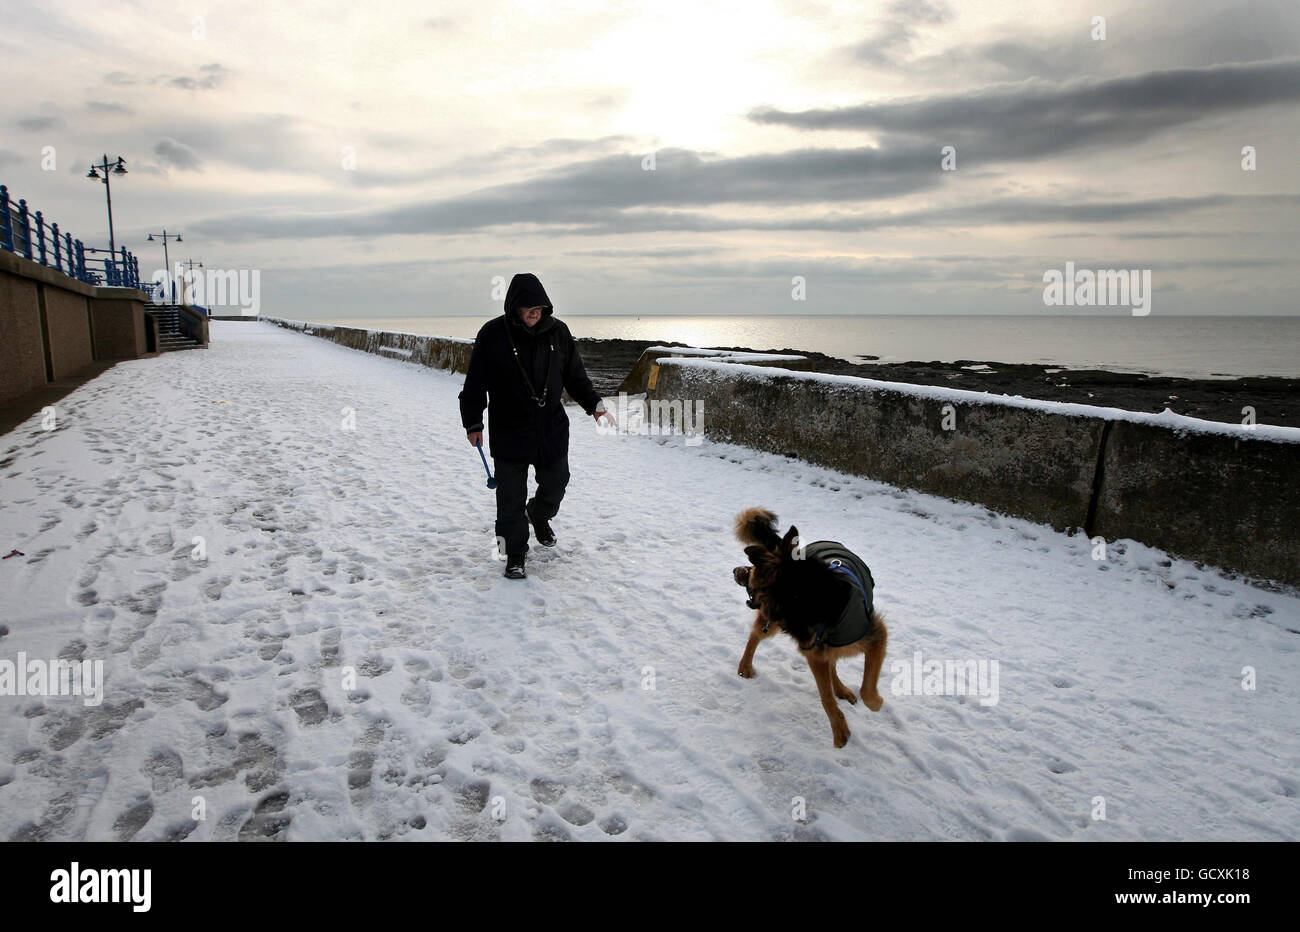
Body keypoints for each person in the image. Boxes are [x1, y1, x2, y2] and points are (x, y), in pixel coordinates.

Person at [459, 273, 614, 579]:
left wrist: (596, 406)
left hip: (550, 428)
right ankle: (515, 553)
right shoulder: (492, 334)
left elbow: (574, 376)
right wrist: (473, 421)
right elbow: (475, 382)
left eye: (540, 308)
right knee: (509, 498)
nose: (535, 313)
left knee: (556, 483)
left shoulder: (558, 332)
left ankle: (539, 514)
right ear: (514, 306)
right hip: (508, 428)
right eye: (529, 308)